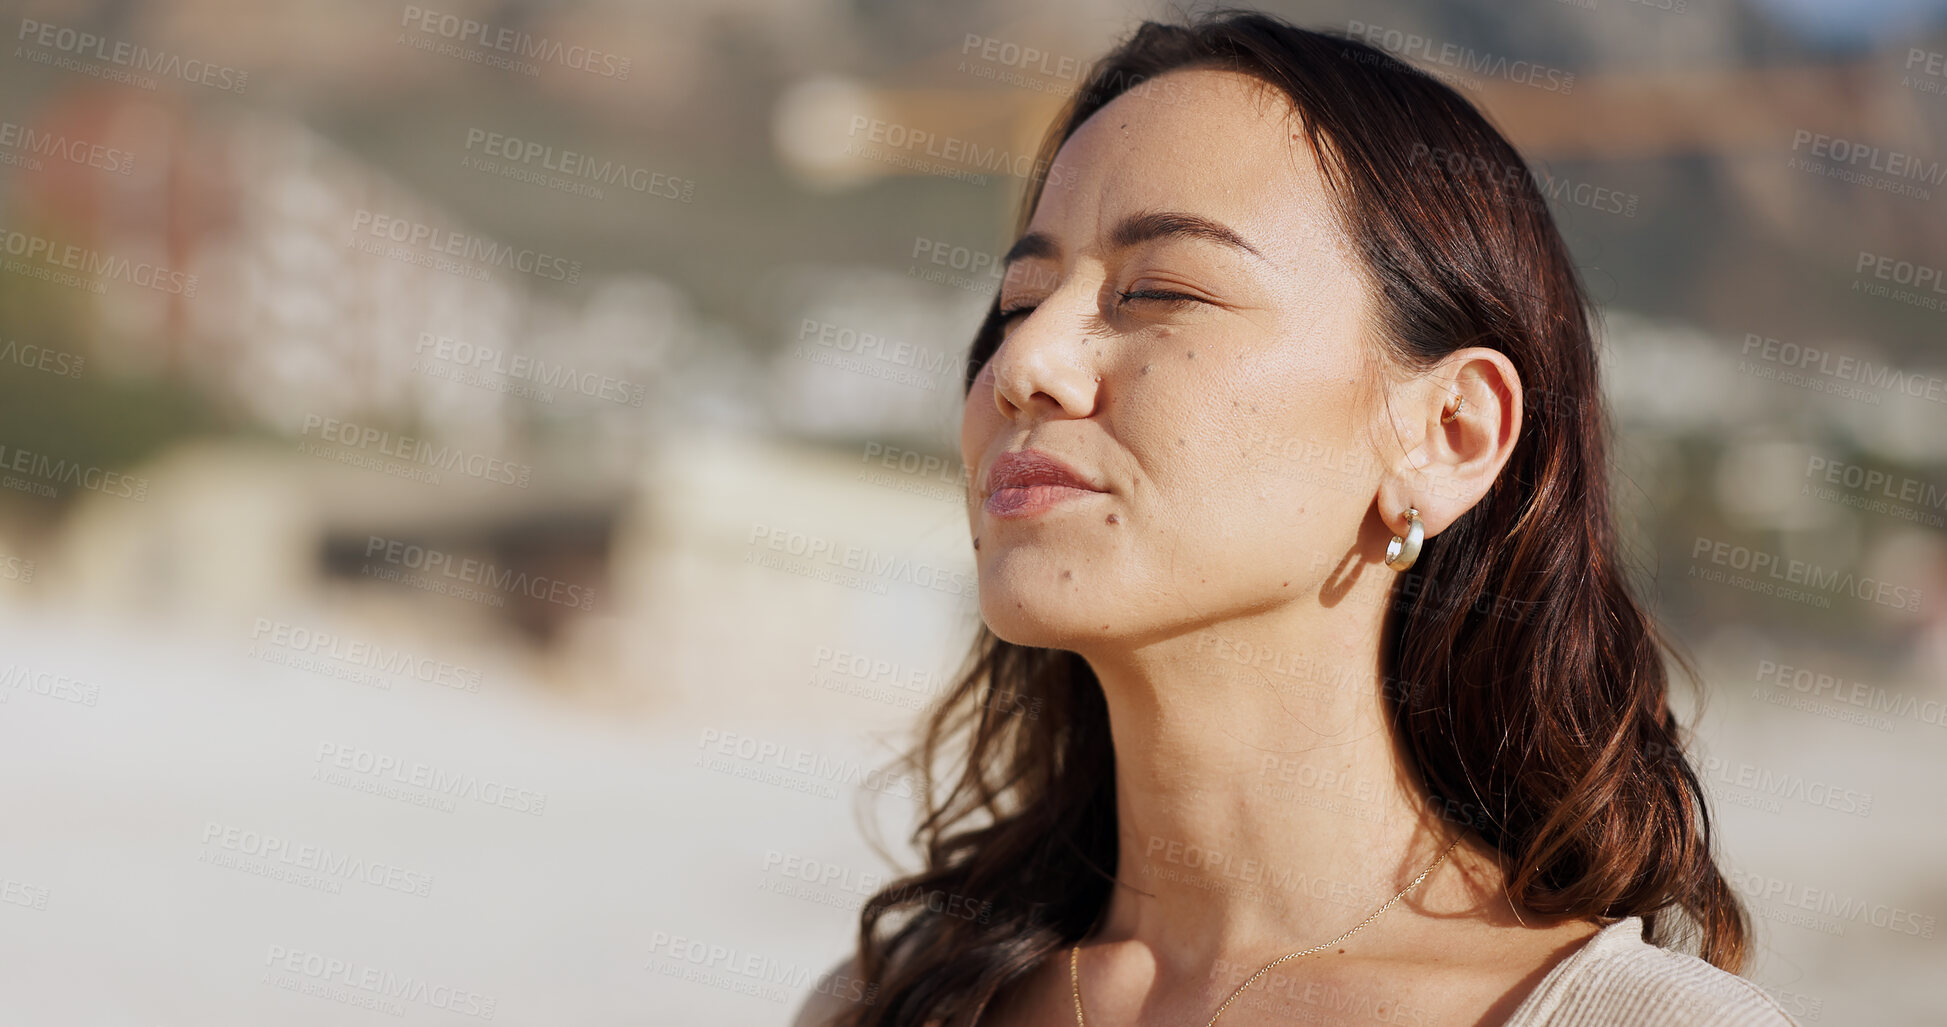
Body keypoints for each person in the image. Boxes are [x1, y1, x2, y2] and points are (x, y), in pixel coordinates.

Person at [797, 9, 1797, 1026]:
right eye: (1019, 300)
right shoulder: (890, 1004)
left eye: (1160, 290)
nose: (1022, 365)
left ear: (1447, 432)